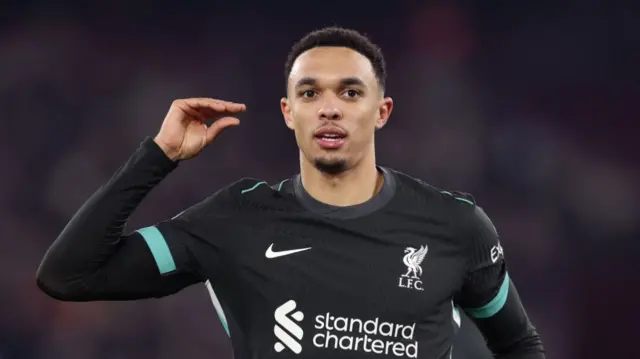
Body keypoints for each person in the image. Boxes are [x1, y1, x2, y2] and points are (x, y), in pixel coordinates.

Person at [36, 27, 545, 359]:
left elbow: (518, 344)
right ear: (287, 112)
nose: (329, 108)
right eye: (309, 93)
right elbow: (68, 275)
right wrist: (158, 155)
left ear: (382, 111)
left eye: (350, 92)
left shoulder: (456, 227)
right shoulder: (236, 219)